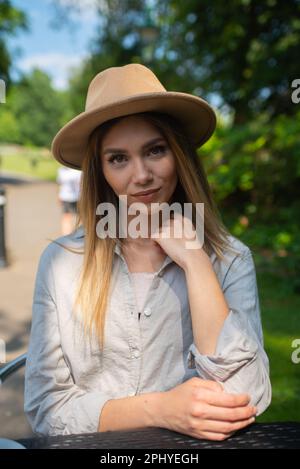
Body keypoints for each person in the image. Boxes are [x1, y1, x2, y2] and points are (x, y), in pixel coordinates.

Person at [24, 63, 272, 440]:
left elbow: (245, 395)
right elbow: (46, 408)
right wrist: (161, 409)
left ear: (179, 156)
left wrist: (194, 260)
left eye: (155, 150)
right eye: (118, 158)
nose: (140, 175)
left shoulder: (229, 259)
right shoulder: (62, 263)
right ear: (100, 171)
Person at [56, 166, 82, 235]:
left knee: (68, 217)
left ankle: (68, 235)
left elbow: (60, 184)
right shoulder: (78, 171)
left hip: (72, 197)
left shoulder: (62, 170)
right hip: (71, 197)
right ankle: (71, 234)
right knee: (70, 217)